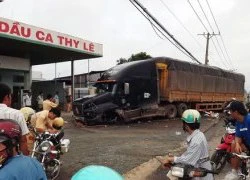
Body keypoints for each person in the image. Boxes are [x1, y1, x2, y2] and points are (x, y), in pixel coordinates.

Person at [161, 109, 213, 180]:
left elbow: (188, 160)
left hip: (201, 174)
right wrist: (174, 158)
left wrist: (171, 159)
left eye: (183, 123)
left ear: (186, 126)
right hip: (198, 169)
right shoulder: (199, 135)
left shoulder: (196, 140)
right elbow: (190, 153)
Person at [0, 83, 29, 155]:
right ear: (7, 97)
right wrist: (26, 160)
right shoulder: (17, 114)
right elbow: (23, 141)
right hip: (10, 158)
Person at [224, 101, 250, 179]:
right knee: (234, 143)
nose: (230, 113)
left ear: (236, 112)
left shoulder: (248, 119)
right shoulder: (238, 122)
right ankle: (234, 172)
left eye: (231, 111)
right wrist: (238, 144)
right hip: (247, 145)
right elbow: (237, 137)